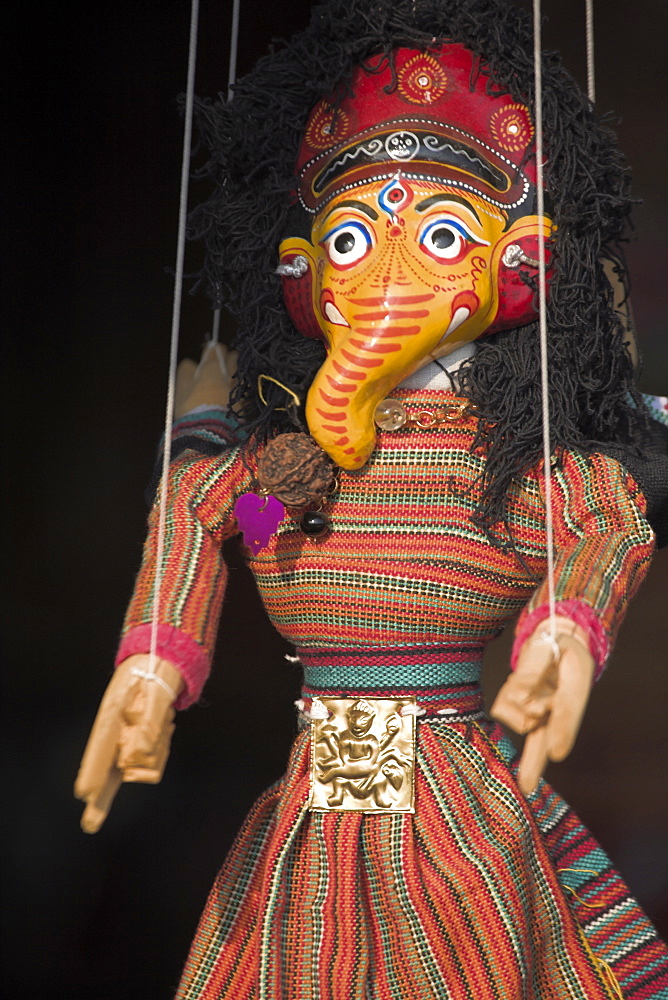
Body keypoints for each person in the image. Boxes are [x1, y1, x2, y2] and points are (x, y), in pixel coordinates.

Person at [75, 1, 668, 996]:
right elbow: (213, 510)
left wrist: (565, 634)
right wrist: (148, 671)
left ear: (509, 262)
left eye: (437, 232)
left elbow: (595, 522)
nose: (386, 272)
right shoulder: (289, 486)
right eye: (352, 239)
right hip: (314, 803)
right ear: (305, 276)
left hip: (453, 801)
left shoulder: (497, 471)